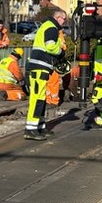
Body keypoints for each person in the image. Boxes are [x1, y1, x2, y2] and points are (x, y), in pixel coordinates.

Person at [25, 9, 67, 141]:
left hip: (42, 67)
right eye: (64, 19)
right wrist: (60, 52)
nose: (64, 22)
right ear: (58, 17)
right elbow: (50, 46)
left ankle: (40, 126)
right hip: (40, 67)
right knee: (37, 98)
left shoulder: (47, 26)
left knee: (41, 98)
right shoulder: (51, 28)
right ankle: (30, 129)